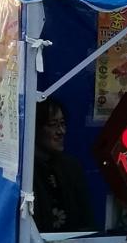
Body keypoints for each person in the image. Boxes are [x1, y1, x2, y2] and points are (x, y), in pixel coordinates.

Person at [33, 97, 96, 233]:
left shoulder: (71, 167)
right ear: (35, 128)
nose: (61, 131)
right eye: (53, 124)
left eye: (62, 123)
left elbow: (86, 219)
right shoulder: (25, 171)